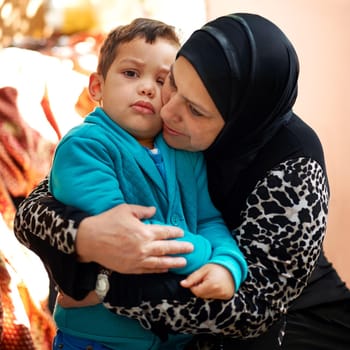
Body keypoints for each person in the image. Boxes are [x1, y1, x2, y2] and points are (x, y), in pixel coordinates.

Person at [14, 12, 350, 350]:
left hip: (295, 325)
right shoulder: (144, 135)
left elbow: (251, 311)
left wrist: (101, 288)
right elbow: (34, 212)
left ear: (237, 122)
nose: (168, 109)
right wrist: (84, 238)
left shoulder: (294, 168)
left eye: (196, 109)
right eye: (174, 82)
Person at [38, 17, 248, 350]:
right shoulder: (85, 147)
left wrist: (227, 264)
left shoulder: (183, 151)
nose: (148, 88)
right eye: (131, 73)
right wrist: (205, 254)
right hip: (100, 337)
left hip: (172, 338)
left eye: (164, 80)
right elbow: (132, 236)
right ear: (96, 87)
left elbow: (208, 218)